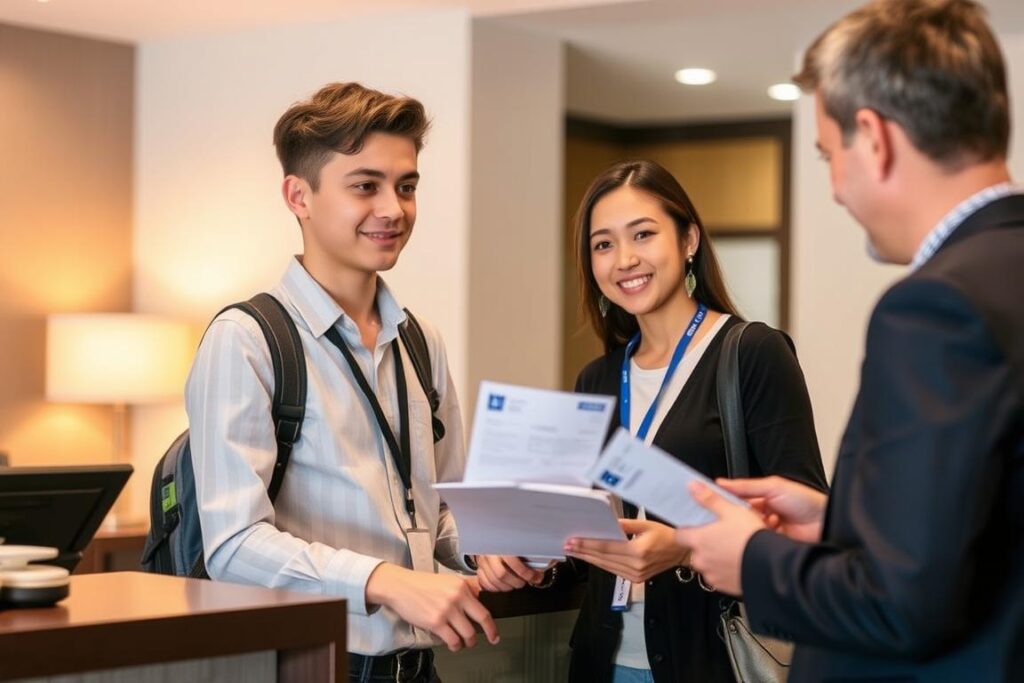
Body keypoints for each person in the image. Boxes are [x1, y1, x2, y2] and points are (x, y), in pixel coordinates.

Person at [676, 1, 1024, 680]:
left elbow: (902, 605)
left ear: (875, 137)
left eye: (829, 155)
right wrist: (844, 521)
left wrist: (752, 559)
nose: (836, 189)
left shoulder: (935, 307)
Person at [185, 82, 498, 683]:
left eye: (406, 187)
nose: (394, 209)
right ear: (297, 195)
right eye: (365, 186)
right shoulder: (247, 338)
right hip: (309, 666)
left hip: (416, 667)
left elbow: (441, 508)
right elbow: (231, 545)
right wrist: (383, 581)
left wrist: (486, 550)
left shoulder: (419, 339)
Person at [478, 159, 827, 682]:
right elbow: (585, 533)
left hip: (715, 659)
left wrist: (684, 547)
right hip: (603, 661)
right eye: (603, 244)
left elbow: (803, 528)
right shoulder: (597, 378)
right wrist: (527, 548)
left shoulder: (752, 354)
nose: (625, 259)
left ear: (689, 239)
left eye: (643, 234)